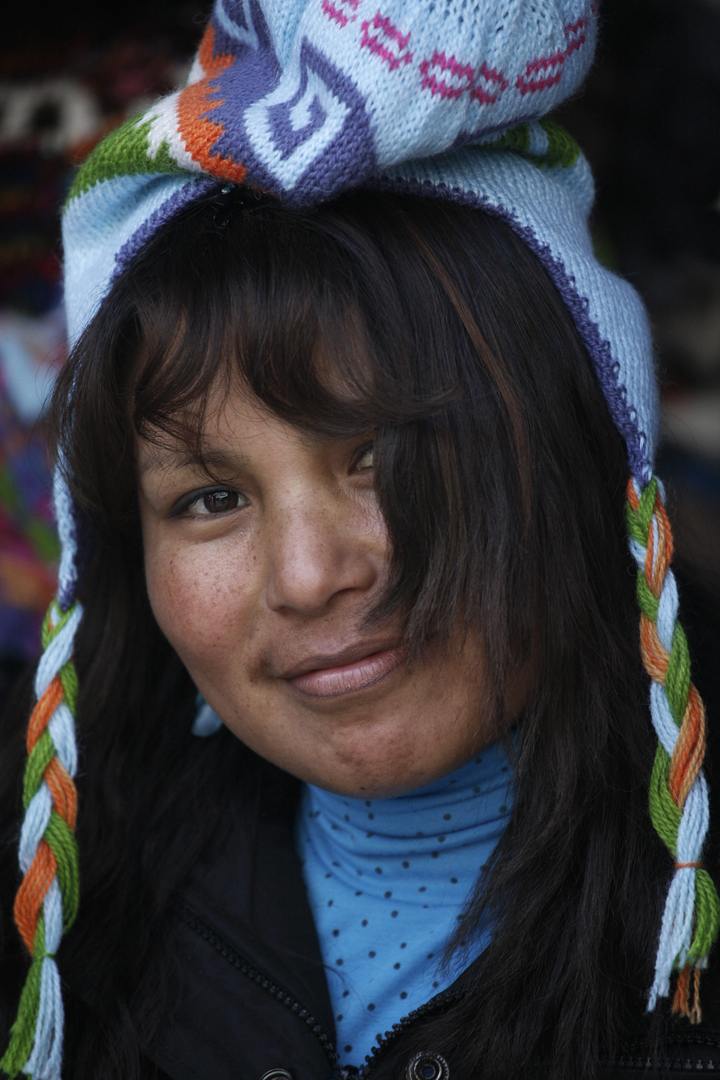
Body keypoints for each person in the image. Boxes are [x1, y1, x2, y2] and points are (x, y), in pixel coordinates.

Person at [1, 2, 719, 1078]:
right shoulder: (68, 911)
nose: (309, 575)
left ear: (578, 458)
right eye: (207, 499)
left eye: (384, 454)